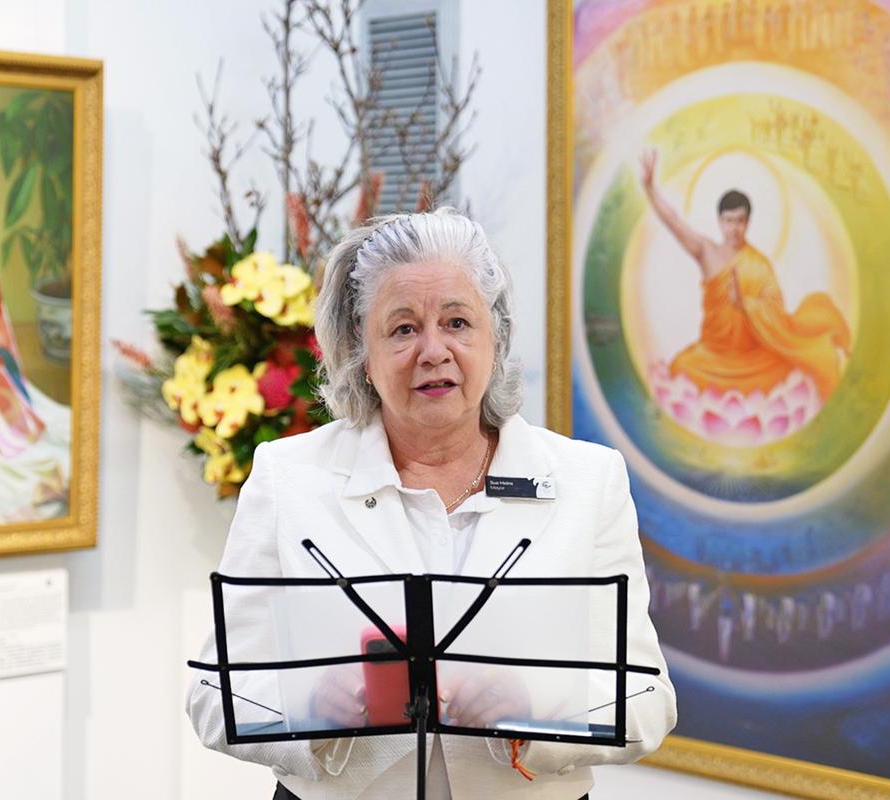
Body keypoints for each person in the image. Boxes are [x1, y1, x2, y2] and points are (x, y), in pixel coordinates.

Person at [187, 209, 676, 799]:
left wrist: (532, 716)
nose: (434, 350)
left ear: (494, 339)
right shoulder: (288, 479)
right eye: (402, 329)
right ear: (360, 356)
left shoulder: (587, 481)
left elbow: (648, 702)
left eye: (457, 321)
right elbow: (214, 697)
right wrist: (309, 712)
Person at [638, 148, 851, 401]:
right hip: (712, 358)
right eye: (728, 221)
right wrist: (650, 188)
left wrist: (746, 304)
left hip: (754, 359)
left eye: (740, 221)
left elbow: (776, 310)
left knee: (786, 369)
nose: (734, 228)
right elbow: (674, 222)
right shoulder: (707, 252)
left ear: (748, 222)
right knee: (682, 368)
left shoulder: (759, 264)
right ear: (719, 222)